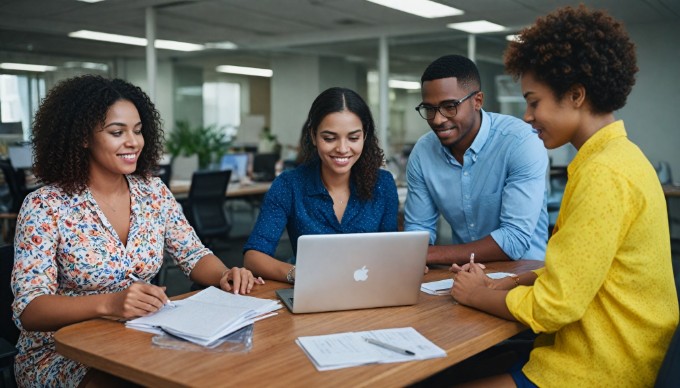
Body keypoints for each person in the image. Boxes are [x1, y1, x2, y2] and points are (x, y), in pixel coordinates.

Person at [451, 5, 678, 387]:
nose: (526, 115)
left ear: (575, 95)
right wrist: (508, 284)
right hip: (606, 351)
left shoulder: (603, 173)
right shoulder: (618, 157)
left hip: (597, 369)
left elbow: (555, 307)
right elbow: (583, 270)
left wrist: (475, 294)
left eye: (534, 101)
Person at [11, 75, 263, 387]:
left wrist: (224, 274)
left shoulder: (152, 191)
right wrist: (110, 303)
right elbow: (31, 308)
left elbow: (193, 254)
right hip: (62, 351)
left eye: (138, 130)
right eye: (117, 132)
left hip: (138, 336)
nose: (134, 142)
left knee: (215, 369)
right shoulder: (45, 205)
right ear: (83, 137)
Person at [404, 54, 549, 266]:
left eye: (449, 106)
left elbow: (514, 240)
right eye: (429, 109)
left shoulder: (520, 142)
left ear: (477, 101)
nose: (438, 119)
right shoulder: (423, 153)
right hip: (460, 277)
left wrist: (426, 255)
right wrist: (415, 254)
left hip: (524, 277)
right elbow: (418, 230)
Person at [243, 87, 398, 283]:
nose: (342, 149)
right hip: (310, 290)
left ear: (365, 136)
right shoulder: (289, 185)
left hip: (371, 289)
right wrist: (296, 273)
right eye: (329, 138)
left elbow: (391, 252)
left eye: (353, 138)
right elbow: (254, 256)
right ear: (314, 135)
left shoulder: (382, 184)